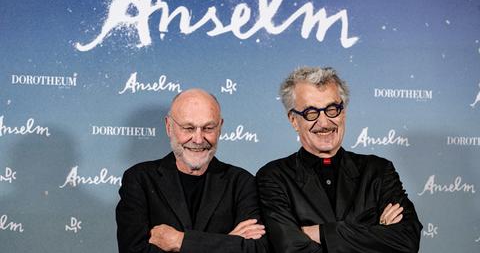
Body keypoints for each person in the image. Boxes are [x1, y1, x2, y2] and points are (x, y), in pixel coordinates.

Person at [256, 67, 422, 253]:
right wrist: (376, 233)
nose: (324, 122)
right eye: (311, 113)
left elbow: (407, 241)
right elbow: (290, 248)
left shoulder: (379, 171)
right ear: (294, 120)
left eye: (332, 109)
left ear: (343, 112)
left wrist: (321, 233)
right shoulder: (273, 177)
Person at [116, 89, 269, 253]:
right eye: (188, 128)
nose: (198, 139)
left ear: (220, 128)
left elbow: (257, 249)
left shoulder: (241, 182)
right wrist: (228, 242)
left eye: (208, 128)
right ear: (169, 127)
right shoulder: (140, 179)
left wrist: (179, 240)